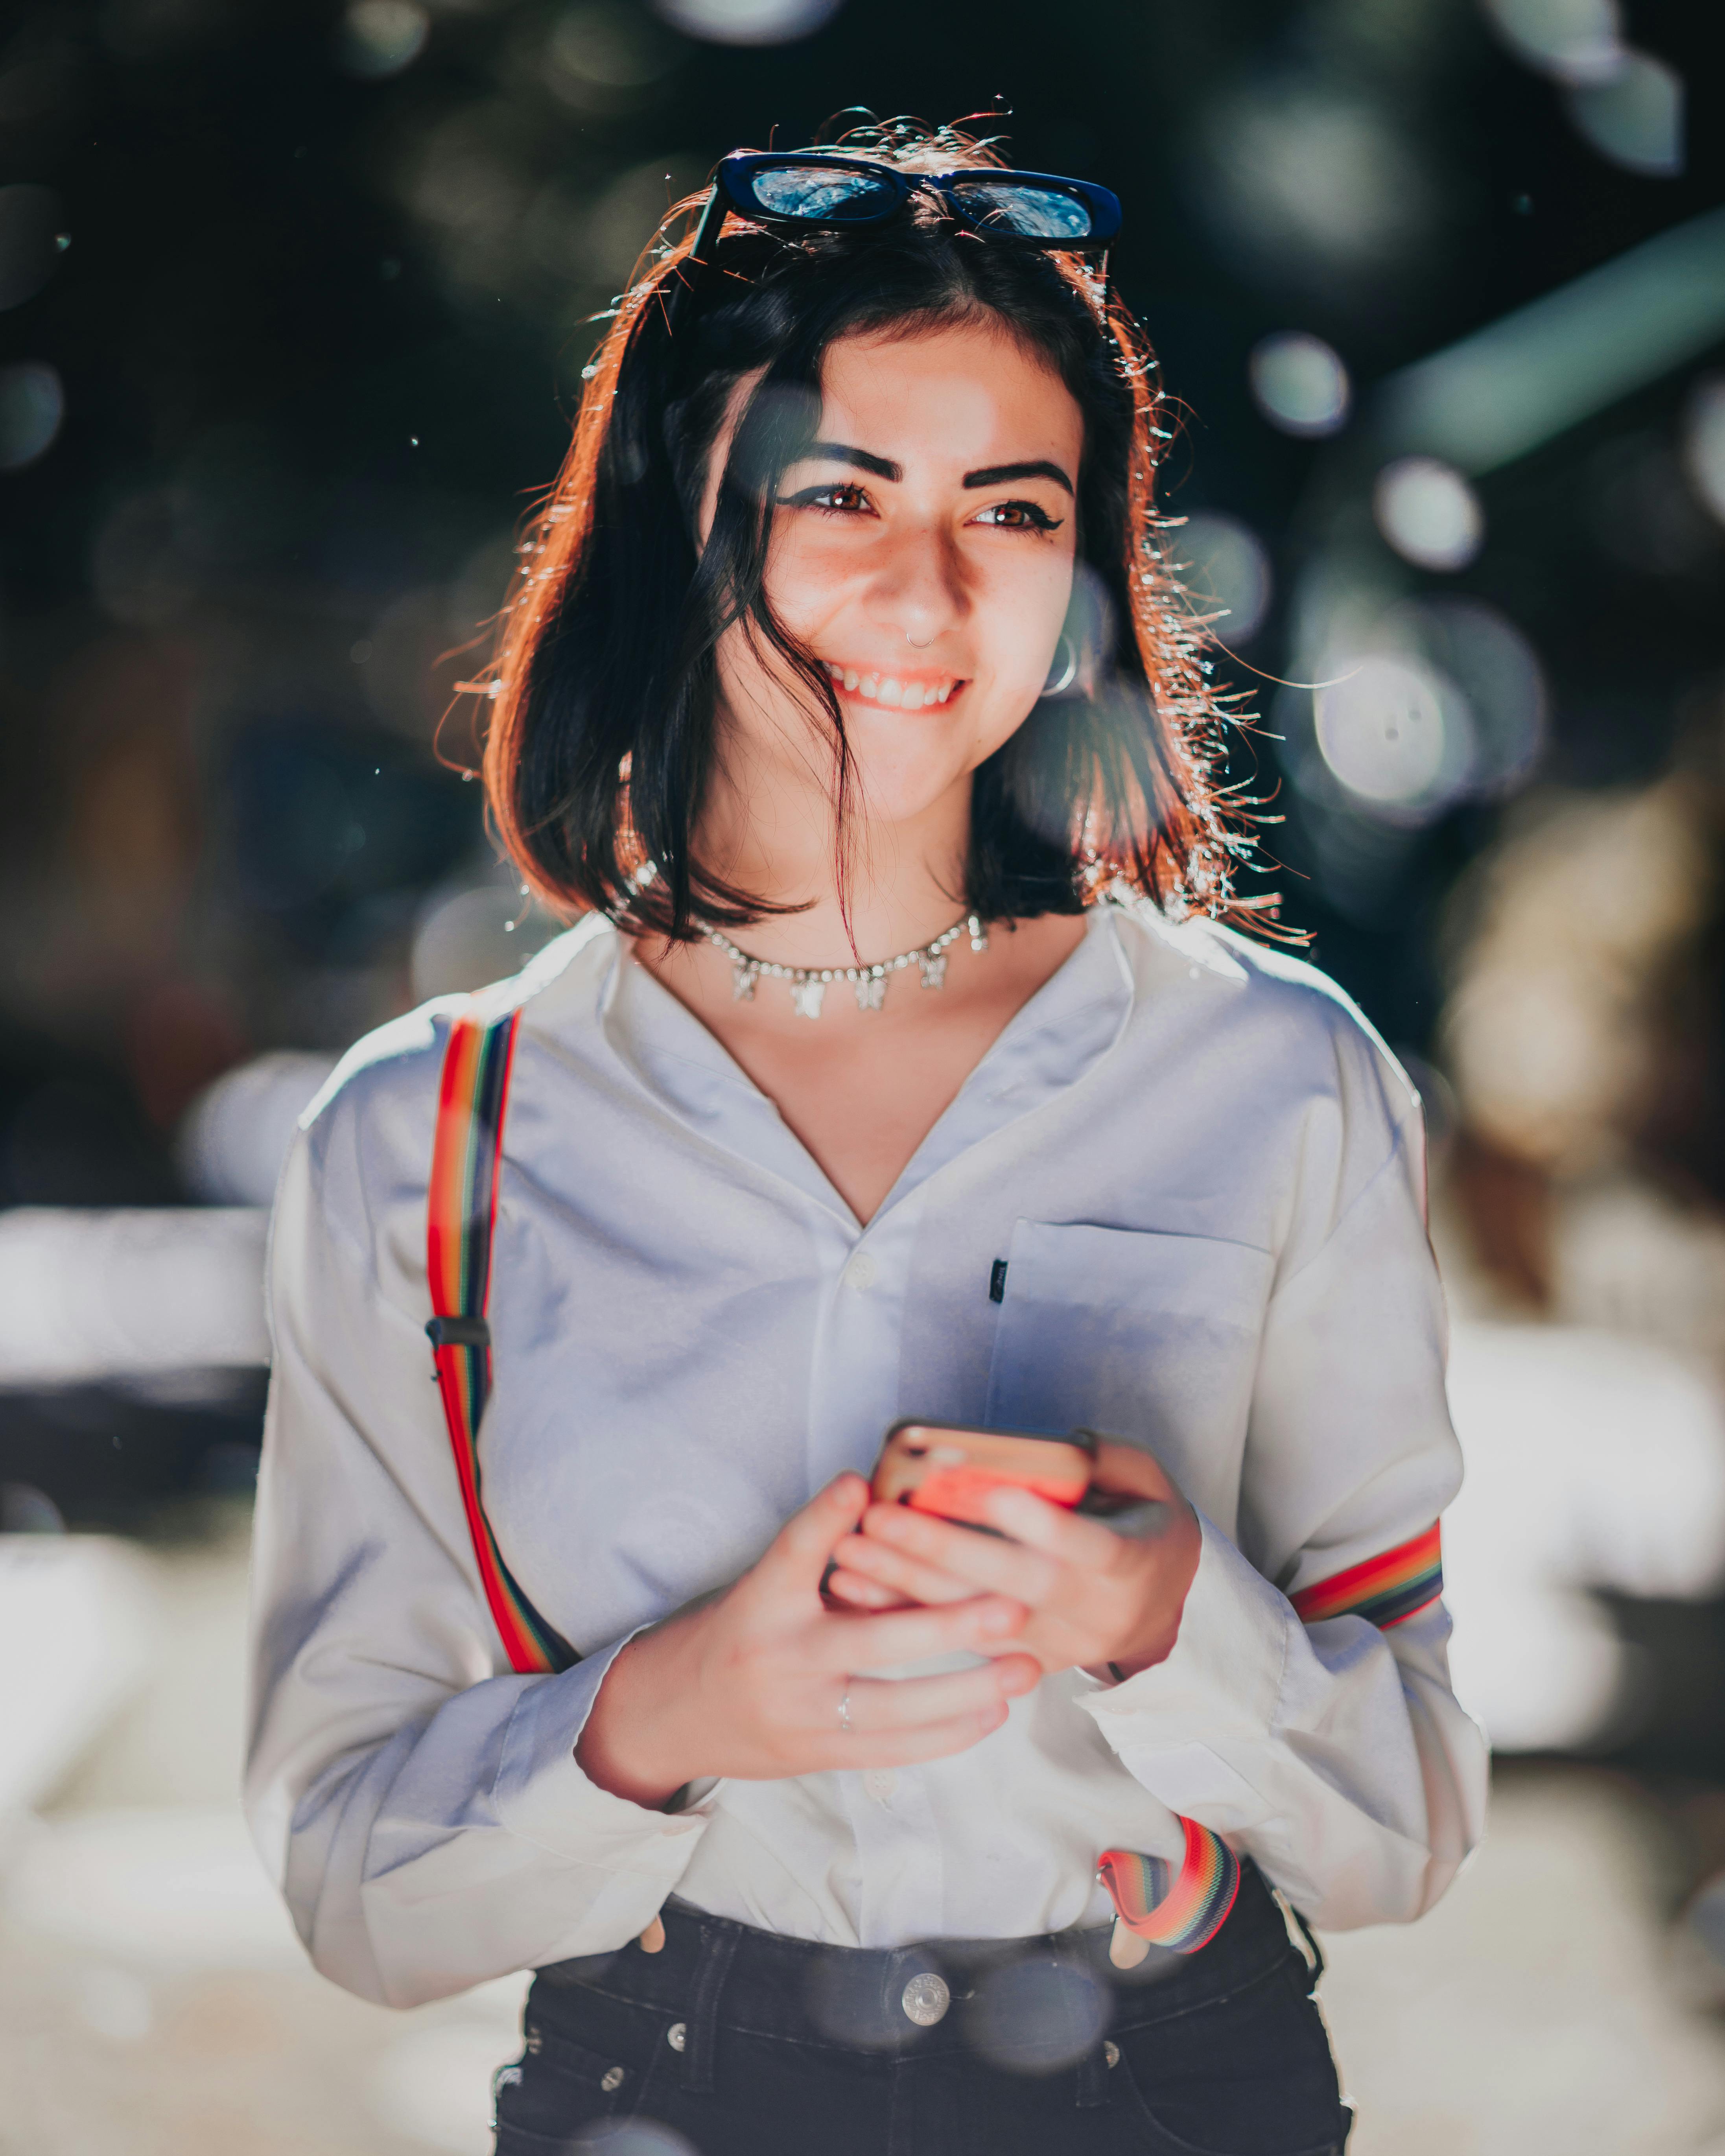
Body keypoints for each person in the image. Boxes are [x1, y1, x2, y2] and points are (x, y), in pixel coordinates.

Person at [245, 122, 1487, 2156]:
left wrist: (1166, 1624)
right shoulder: (427, 1137)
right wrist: (665, 1717)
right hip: (656, 2088)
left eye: (1010, 509)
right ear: (682, 519)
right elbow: (350, 1884)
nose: (926, 587)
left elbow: (1406, 1826)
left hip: (1165, 2085)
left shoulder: (1274, 1076)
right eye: (838, 491)